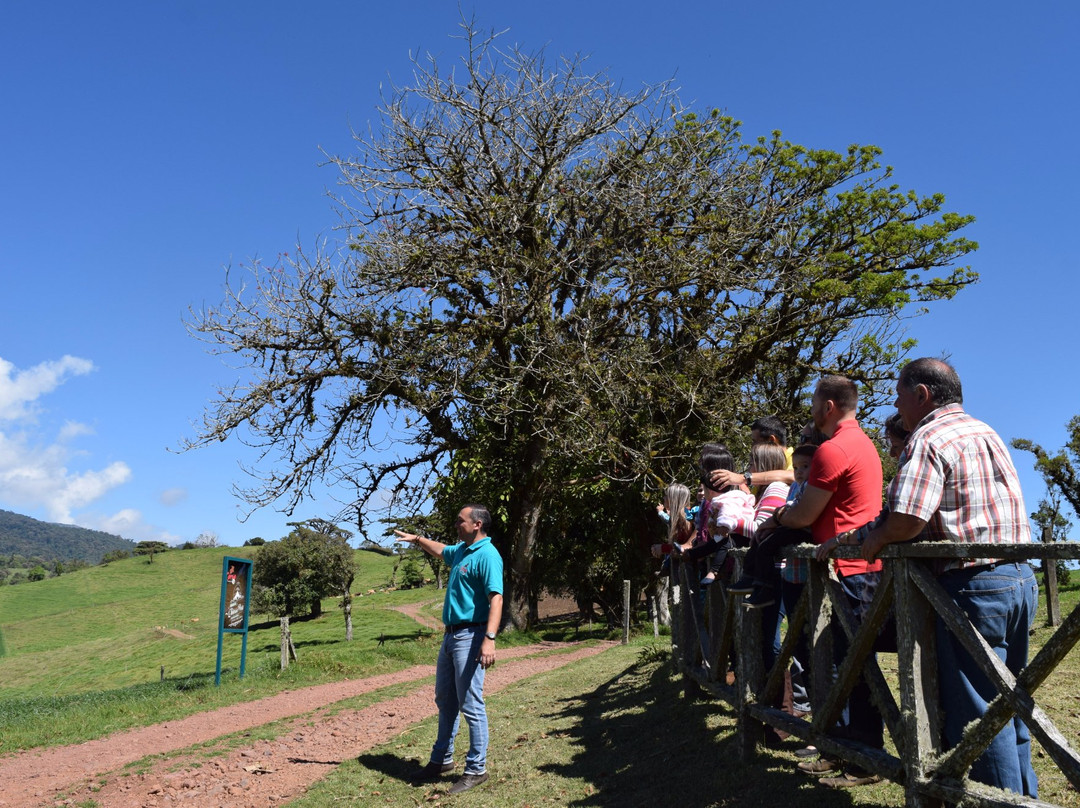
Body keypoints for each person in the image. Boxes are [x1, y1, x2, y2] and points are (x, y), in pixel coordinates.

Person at [861, 358, 1038, 797]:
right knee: (1009, 705)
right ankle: (1024, 798)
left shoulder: (929, 435)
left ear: (921, 394)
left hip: (972, 585)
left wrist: (876, 539)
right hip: (1018, 578)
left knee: (979, 713)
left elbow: (906, 519)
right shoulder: (984, 430)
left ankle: (996, 803)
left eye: (900, 395)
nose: (897, 406)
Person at [760, 375, 886, 788]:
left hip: (849, 572)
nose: (811, 408)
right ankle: (844, 750)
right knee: (843, 663)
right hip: (853, 568)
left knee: (848, 665)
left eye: (814, 400)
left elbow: (804, 515)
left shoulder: (833, 449)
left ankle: (863, 757)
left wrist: (778, 519)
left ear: (828, 405)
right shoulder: (862, 443)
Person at [394, 504, 504, 795]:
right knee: (445, 699)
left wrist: (489, 638)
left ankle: (476, 769)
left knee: (471, 704)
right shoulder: (463, 551)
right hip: (450, 636)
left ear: (477, 524)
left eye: (460, 521)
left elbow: (496, 599)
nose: (456, 524)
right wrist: (417, 539)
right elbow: (441, 550)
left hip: (472, 635)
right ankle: (441, 760)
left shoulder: (488, 556)